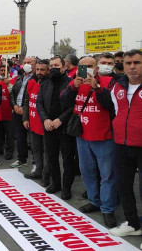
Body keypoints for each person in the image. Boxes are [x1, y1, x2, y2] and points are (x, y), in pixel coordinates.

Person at [60, 56, 117, 227]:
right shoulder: (74, 83)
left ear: (96, 68)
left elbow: (111, 106)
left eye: (90, 66)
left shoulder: (109, 82)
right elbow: (64, 102)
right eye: (82, 66)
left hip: (104, 137)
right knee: (87, 171)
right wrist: (74, 87)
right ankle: (94, 200)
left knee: (107, 175)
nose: (86, 69)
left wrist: (97, 88)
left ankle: (108, 208)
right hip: (82, 136)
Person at [109, 50, 142, 240]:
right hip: (121, 144)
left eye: (137, 62)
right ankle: (132, 223)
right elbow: (116, 112)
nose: (131, 66)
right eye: (128, 63)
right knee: (123, 185)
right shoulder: (117, 87)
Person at [36, 56, 75, 200]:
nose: (53, 68)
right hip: (49, 126)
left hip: (64, 126)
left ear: (64, 67)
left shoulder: (71, 83)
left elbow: (73, 105)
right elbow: (39, 102)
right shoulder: (45, 83)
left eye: (56, 65)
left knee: (67, 159)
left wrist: (60, 119)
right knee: (51, 157)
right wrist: (45, 119)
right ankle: (56, 183)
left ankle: (66, 188)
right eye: (51, 65)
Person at [23, 59, 50, 185]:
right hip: (32, 123)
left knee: (47, 151)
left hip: (45, 124)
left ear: (48, 70)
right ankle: (38, 170)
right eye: (37, 69)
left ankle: (46, 174)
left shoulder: (50, 84)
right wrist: (25, 118)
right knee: (36, 149)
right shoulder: (31, 82)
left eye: (42, 70)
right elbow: (27, 101)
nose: (39, 72)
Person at [9, 56, 37, 167]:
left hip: (29, 112)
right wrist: (14, 106)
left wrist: (24, 109)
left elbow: (34, 97)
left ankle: (36, 162)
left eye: (29, 62)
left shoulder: (36, 78)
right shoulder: (19, 78)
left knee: (34, 140)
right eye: (24, 62)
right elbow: (12, 93)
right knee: (20, 138)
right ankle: (22, 159)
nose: (26, 64)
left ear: (34, 64)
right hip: (17, 111)